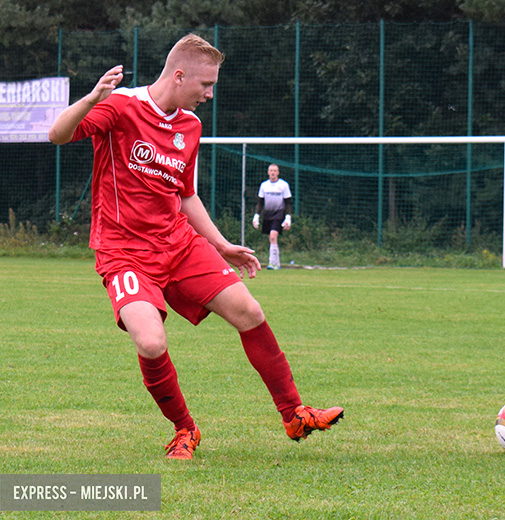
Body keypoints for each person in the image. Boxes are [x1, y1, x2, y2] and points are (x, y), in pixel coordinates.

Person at [48, 34, 343, 460]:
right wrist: (93, 97)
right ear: (179, 75)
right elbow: (58, 135)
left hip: (178, 244)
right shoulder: (121, 106)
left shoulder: (190, 125)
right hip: (124, 251)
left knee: (250, 311)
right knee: (150, 343)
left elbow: (185, 196)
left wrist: (222, 244)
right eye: (206, 85)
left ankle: (294, 413)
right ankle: (185, 429)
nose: (209, 94)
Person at [252, 164, 292, 270]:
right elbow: (260, 202)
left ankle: (272, 263)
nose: (273, 172)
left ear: (278, 172)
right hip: (267, 214)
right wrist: (256, 216)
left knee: (273, 236)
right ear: (268, 172)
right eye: (271, 170)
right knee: (271, 238)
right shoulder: (264, 185)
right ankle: (277, 263)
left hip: (279, 214)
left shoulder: (284, 185)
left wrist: (288, 217)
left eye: (275, 170)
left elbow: (287, 203)